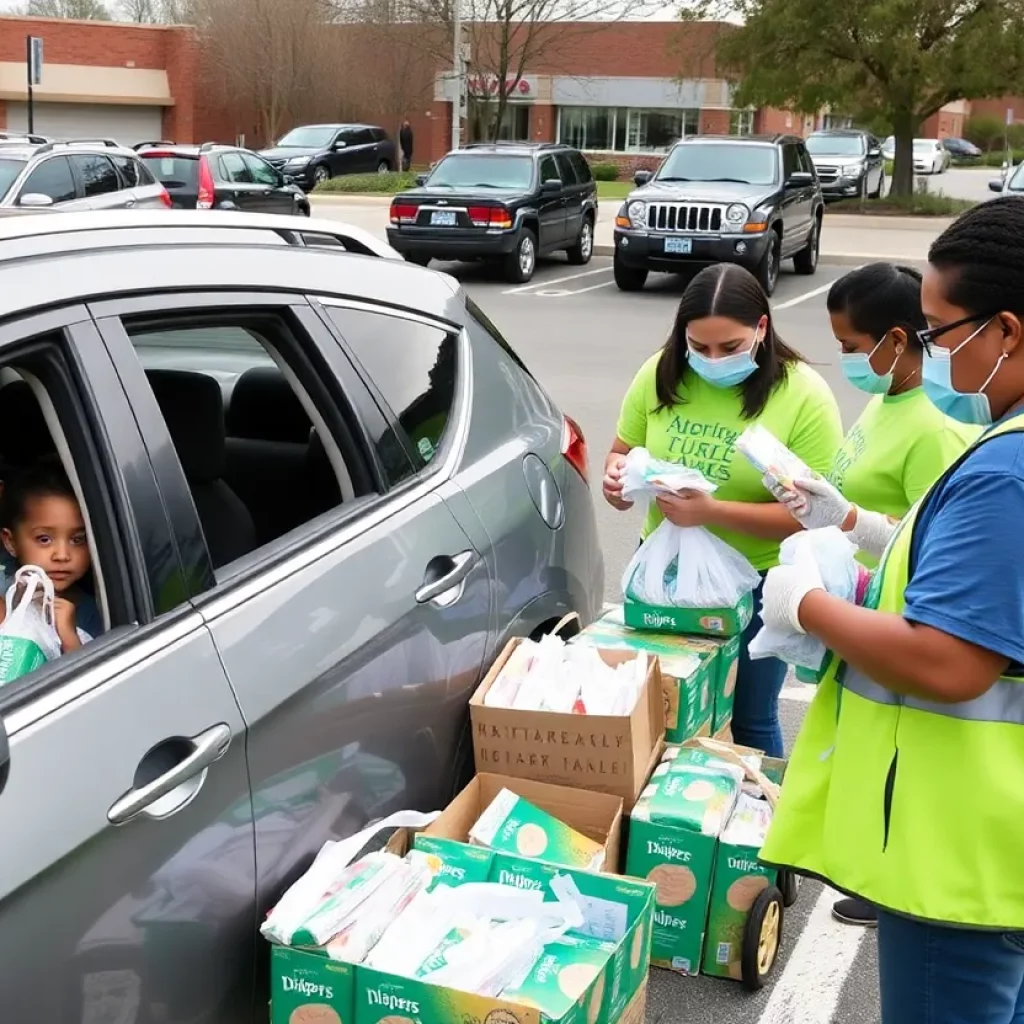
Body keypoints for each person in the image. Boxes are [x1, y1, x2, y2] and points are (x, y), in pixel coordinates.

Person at [760, 195, 1024, 1023]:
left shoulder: (1004, 470)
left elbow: (948, 661)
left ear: (1006, 331)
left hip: (958, 852)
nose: (935, 350)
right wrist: (853, 525)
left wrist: (805, 605)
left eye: (944, 332)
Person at [769, 262, 980, 928]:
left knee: (905, 769)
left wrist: (845, 535)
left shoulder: (936, 425)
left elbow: (933, 554)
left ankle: (895, 882)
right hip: (869, 610)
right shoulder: (889, 398)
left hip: (898, 628)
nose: (845, 361)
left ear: (896, 340)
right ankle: (876, 869)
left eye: (852, 348)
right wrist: (832, 511)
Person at [603, 262, 843, 758]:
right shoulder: (661, 372)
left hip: (760, 584)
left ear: (762, 328)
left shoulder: (803, 396)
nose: (711, 360)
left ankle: (756, 823)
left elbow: (815, 517)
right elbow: (622, 449)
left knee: (750, 715)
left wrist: (710, 512)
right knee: (658, 710)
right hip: (666, 572)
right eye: (699, 347)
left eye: (729, 347)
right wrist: (618, 480)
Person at [0, 461, 102, 651]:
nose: (62, 556)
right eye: (44, 539)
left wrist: (68, 635)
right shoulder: (3, 589)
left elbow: (89, 675)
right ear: (11, 542)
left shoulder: (92, 614)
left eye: (78, 539)